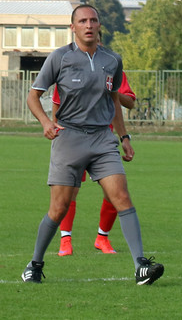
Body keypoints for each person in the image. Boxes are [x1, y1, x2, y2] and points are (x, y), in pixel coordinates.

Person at [21, 4, 164, 285]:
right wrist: (46, 124)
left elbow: (114, 101)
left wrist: (124, 138)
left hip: (102, 139)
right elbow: (33, 97)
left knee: (121, 196)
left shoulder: (112, 60)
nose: (89, 25)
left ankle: (140, 266)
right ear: (73, 27)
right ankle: (35, 263)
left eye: (93, 20)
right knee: (59, 208)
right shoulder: (59, 58)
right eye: (83, 21)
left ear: (100, 26)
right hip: (69, 139)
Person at [52, 70, 137, 256]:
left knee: (115, 192)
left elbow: (129, 102)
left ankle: (102, 238)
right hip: (73, 139)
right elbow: (57, 103)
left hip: (103, 141)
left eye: (97, 40)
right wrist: (56, 131)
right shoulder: (69, 69)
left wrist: (111, 91)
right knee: (69, 191)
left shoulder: (113, 70)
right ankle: (65, 240)